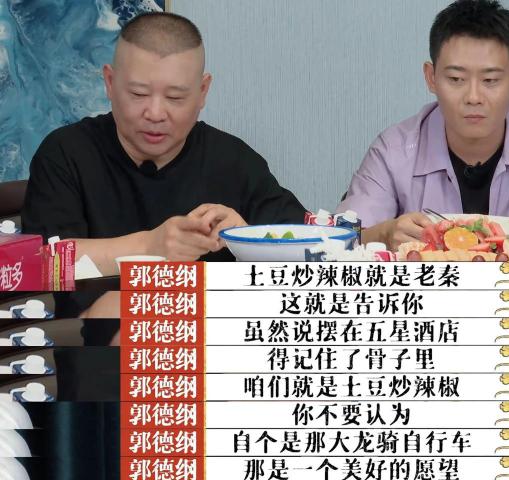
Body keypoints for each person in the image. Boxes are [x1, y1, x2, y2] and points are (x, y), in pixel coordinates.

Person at [21, 12, 307, 324]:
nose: (155, 113)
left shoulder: (234, 161)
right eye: (138, 94)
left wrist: (247, 240)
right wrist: (151, 246)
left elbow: (313, 251)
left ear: (202, 92)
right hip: (95, 342)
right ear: (110, 83)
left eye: (175, 97)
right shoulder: (66, 154)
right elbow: (38, 266)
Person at [337, 0, 509, 255]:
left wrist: (463, 241)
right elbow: (341, 240)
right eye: (456, 79)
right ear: (431, 77)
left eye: (490, 80)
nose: (473, 97)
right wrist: (385, 233)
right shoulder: (394, 149)